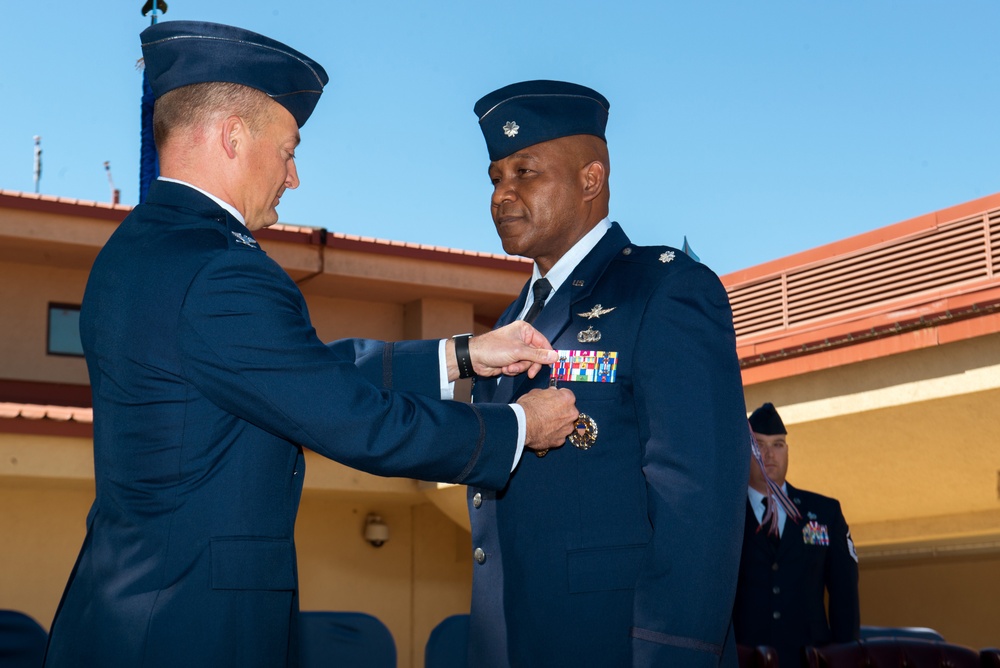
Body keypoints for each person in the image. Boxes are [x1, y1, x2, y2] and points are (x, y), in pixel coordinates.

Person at [43, 22, 578, 668]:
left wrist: (461, 355)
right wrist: (519, 426)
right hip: (193, 632)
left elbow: (292, 378)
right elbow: (354, 421)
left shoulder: (135, 252)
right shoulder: (224, 270)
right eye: (288, 149)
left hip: (125, 618)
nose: (293, 178)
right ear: (233, 137)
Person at [465, 80, 751, 667]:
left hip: (617, 645)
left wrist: (674, 653)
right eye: (496, 177)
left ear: (590, 179)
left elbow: (696, 496)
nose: (502, 195)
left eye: (526, 172)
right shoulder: (513, 317)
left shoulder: (662, 288)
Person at [733, 402, 860, 666]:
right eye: (759, 445)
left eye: (778, 444)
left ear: (787, 451)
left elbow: (844, 591)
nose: (769, 454)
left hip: (809, 659)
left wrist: (844, 657)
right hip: (745, 659)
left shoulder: (825, 512)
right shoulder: (726, 517)